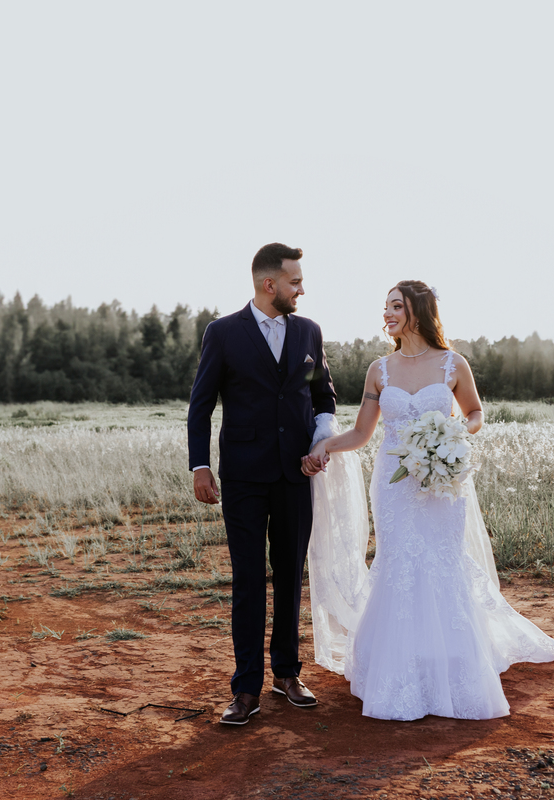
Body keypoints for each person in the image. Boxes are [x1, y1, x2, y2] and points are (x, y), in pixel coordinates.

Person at [301, 280, 554, 721]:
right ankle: (399, 668)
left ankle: (453, 666)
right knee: (399, 563)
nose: (387, 314)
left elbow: (475, 415)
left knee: (441, 562)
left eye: (396, 306)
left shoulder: (453, 364)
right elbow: (362, 433)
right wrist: (325, 447)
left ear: (418, 310)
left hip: (440, 483)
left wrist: (450, 435)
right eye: (385, 307)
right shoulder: (380, 369)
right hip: (394, 488)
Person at [187, 243, 337, 726]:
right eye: (294, 281)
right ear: (268, 284)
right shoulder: (224, 333)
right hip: (244, 476)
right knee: (249, 580)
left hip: (296, 474)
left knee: (291, 574)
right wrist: (200, 466)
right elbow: (201, 404)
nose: (302, 289)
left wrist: (321, 442)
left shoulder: (309, 331)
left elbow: (323, 397)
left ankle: (287, 674)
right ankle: (245, 687)